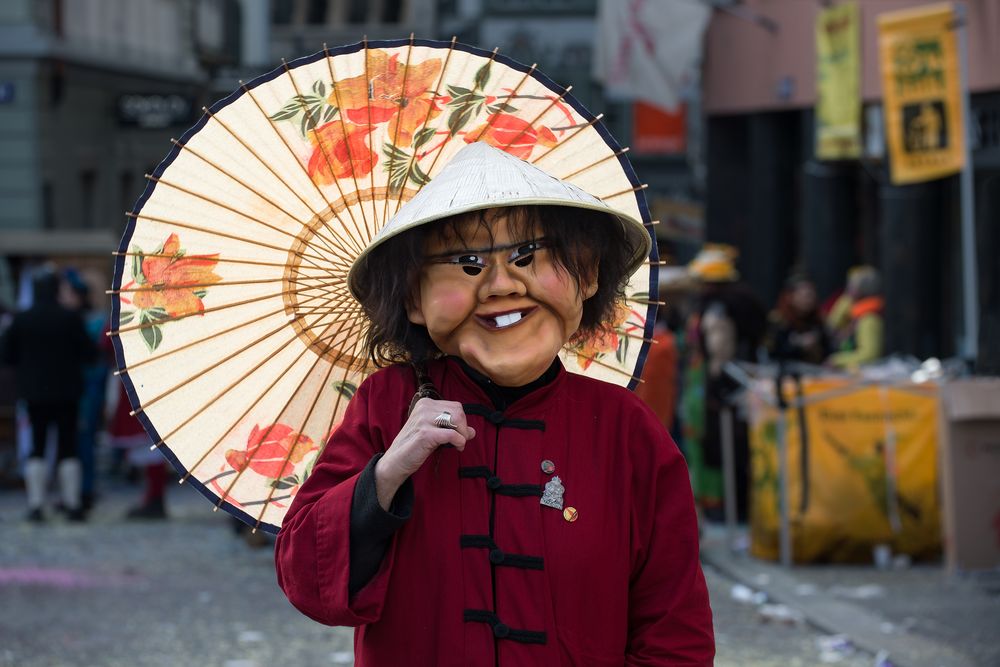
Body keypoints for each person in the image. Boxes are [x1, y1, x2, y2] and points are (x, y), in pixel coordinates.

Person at [274, 143, 715, 665]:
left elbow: (674, 630)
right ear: (415, 299)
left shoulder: (625, 428)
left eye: (528, 256)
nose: (502, 285)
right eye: (466, 264)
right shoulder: (386, 404)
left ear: (589, 275)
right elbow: (308, 576)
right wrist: (388, 473)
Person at [0, 268, 96, 522]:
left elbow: (6, 355)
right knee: (68, 446)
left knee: (37, 446)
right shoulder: (70, 318)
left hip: (34, 394)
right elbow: (90, 354)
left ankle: (36, 505)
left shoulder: (22, 319)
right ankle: (73, 505)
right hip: (68, 392)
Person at [764, 272, 831, 366]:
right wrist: (798, 346)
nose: (808, 300)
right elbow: (771, 353)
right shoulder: (778, 321)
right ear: (790, 297)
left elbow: (829, 350)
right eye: (805, 296)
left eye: (811, 295)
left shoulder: (818, 322)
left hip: (814, 374)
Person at [827, 265, 884, 370]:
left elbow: (870, 355)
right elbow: (831, 325)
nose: (847, 289)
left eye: (851, 285)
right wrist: (845, 302)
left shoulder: (869, 319)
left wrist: (837, 361)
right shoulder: (855, 315)